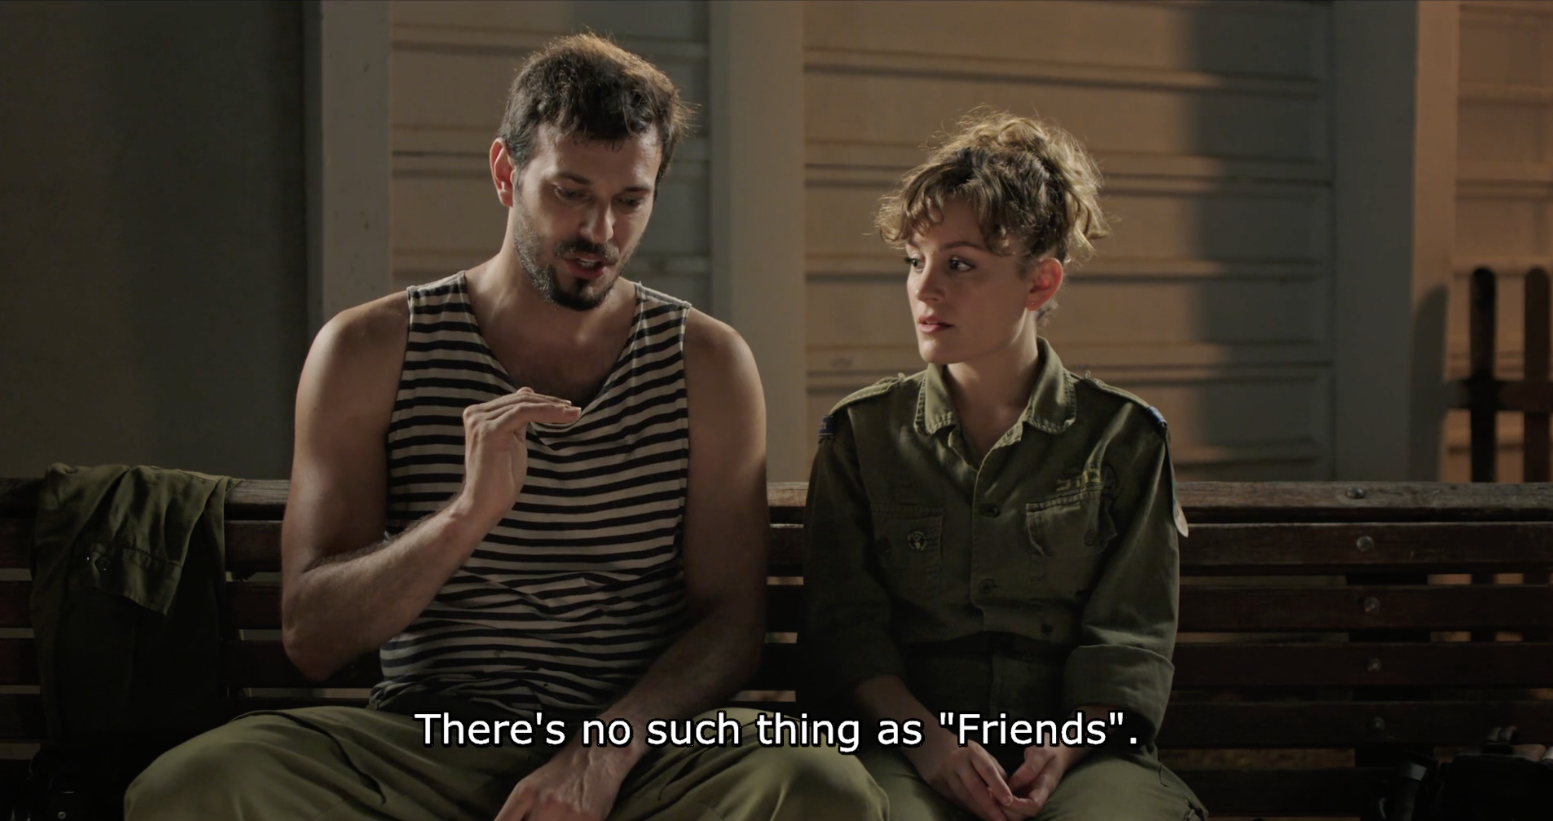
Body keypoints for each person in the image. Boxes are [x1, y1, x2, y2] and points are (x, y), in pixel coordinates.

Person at [125, 33, 884, 821]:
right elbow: (313, 636)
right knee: (192, 786)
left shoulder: (708, 362)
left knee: (820, 787)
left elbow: (730, 624)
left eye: (630, 201)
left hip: (640, 753)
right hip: (427, 741)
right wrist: (464, 516)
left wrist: (601, 754)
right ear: (503, 173)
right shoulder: (369, 350)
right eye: (569, 192)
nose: (600, 232)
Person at [801, 108, 1209, 821]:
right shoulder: (862, 436)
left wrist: (1064, 747)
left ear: (1039, 283)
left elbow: (1130, 637)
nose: (925, 289)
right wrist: (932, 746)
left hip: (1078, 753)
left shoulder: (1123, 438)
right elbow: (847, 635)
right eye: (915, 261)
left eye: (959, 264)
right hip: (909, 749)